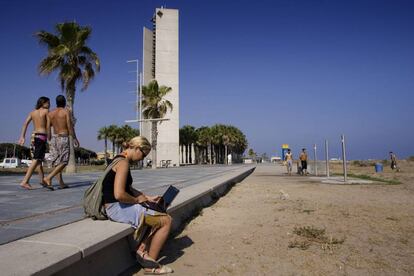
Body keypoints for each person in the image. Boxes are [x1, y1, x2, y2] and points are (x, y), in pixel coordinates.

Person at [103, 136, 173, 275]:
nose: (142, 158)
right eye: (143, 154)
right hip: (116, 208)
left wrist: (146, 197)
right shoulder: (123, 163)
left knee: (157, 210)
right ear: (136, 148)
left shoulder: (120, 159)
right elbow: (119, 194)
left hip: (116, 206)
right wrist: (137, 201)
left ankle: (141, 250)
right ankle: (150, 264)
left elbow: (127, 188)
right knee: (166, 220)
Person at [43, 95, 79, 189]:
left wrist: (49, 138)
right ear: (64, 103)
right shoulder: (65, 112)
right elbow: (69, 125)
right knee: (64, 161)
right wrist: (74, 138)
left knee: (57, 162)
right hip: (63, 137)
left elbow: (48, 127)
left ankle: (61, 183)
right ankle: (48, 177)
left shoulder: (50, 113)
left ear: (56, 102)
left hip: (53, 138)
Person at [18, 96, 51, 190]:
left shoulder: (32, 112)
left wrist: (22, 136)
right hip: (41, 137)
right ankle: (25, 181)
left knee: (39, 160)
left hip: (34, 137)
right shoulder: (46, 111)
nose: (49, 105)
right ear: (43, 103)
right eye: (48, 103)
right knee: (36, 159)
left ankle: (42, 181)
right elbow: (48, 125)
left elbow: (25, 124)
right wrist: (50, 137)